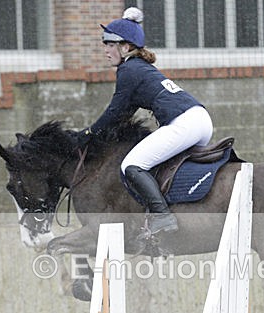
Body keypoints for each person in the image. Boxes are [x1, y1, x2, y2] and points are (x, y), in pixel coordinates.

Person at [79, 7, 214, 236]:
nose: (106, 50)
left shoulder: (128, 69)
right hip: (199, 120)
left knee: (131, 165)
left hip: (185, 123)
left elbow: (114, 111)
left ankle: (162, 217)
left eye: (110, 44)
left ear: (126, 47)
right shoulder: (139, 68)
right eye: (105, 44)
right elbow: (123, 114)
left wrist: (89, 133)